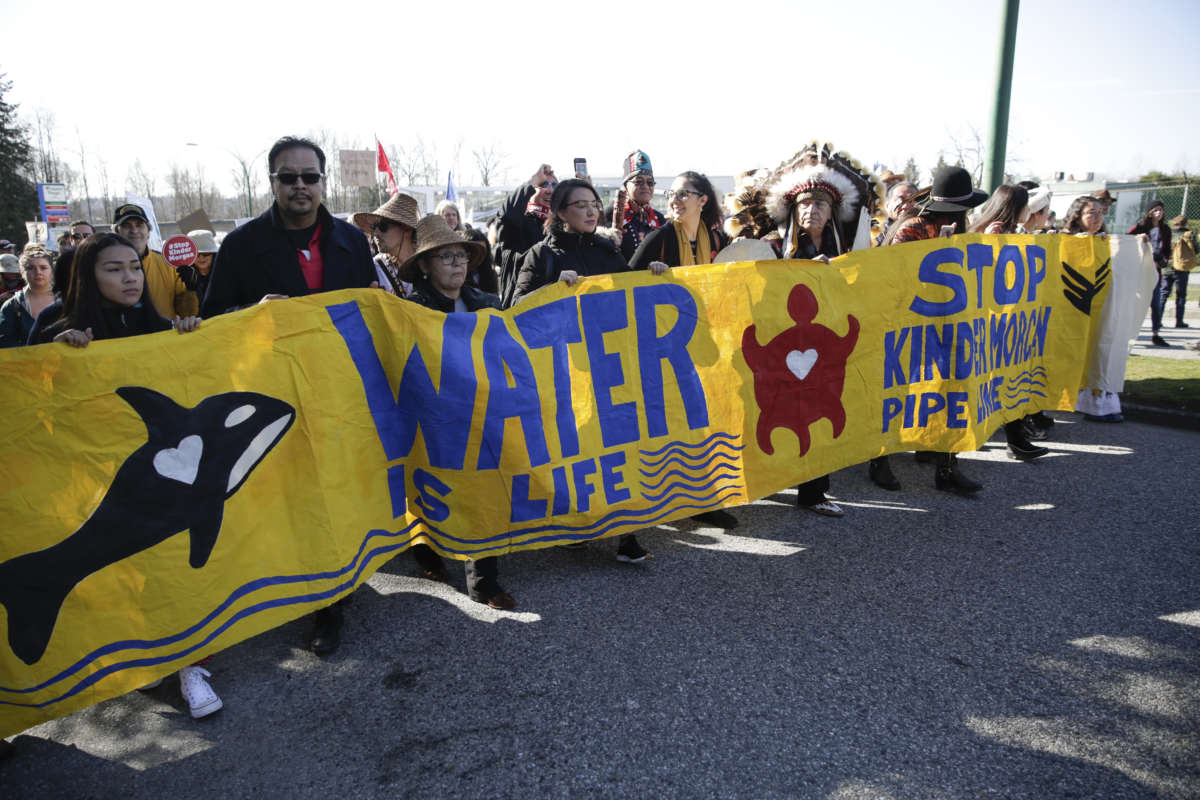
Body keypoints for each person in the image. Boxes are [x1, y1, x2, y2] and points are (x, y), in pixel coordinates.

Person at [25, 233, 218, 717]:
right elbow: (26, 403)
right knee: (118, 578)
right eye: (114, 269)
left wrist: (193, 335)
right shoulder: (55, 324)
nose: (129, 277)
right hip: (89, 481)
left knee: (168, 573)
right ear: (87, 276)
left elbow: (185, 387)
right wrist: (56, 358)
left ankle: (188, 664)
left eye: (134, 266)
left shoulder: (154, 322)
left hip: (158, 484)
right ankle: (139, 663)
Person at [200, 135, 375, 654]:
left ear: (324, 181)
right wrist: (254, 312)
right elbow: (213, 321)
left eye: (309, 176)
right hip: (272, 393)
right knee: (295, 492)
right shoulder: (241, 245)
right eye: (288, 177)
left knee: (340, 486)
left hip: (338, 388)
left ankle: (338, 585)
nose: (300, 186)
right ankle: (316, 596)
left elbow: (368, 311)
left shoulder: (351, 240)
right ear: (272, 182)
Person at [726, 146, 883, 512]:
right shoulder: (769, 248)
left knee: (819, 413)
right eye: (805, 204)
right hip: (777, 352)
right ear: (793, 210)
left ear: (832, 214)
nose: (812, 210)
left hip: (821, 353)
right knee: (770, 415)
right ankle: (764, 481)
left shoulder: (847, 251)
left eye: (821, 204)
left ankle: (814, 493)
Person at [397, 215, 516, 609]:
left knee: (482, 489)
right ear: (426, 266)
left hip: (483, 413)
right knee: (433, 491)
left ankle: (484, 579)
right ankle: (427, 551)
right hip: (432, 420)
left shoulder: (487, 303)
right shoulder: (409, 312)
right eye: (445, 257)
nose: (457, 264)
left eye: (462, 255)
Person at [882, 166, 990, 495]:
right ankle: (879, 460)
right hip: (906, 325)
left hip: (947, 324)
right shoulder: (912, 228)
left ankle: (946, 465)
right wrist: (936, 253)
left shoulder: (959, 229)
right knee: (896, 393)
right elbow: (894, 276)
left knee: (950, 389)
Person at [968, 186, 1050, 460]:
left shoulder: (1005, 230)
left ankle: (1015, 440)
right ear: (1018, 207)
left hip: (1001, 321)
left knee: (1003, 382)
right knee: (1000, 381)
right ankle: (1014, 440)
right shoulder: (996, 232)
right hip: (994, 322)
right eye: (1028, 206)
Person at [511, 178, 629, 304]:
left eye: (594, 205)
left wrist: (651, 272)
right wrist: (554, 289)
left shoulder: (607, 248)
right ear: (561, 213)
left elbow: (633, 287)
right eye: (581, 206)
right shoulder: (541, 254)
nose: (592, 213)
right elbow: (517, 305)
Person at [1060, 196, 1123, 422]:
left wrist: (1137, 242)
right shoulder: (1063, 241)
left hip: (1100, 309)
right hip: (1071, 310)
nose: (1097, 218)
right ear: (1078, 215)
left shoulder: (1106, 241)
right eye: (1091, 213)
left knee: (1099, 350)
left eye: (1100, 212)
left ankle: (1097, 402)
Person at [111, 203, 198, 321]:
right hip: (125, 338)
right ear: (116, 232)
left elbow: (186, 314)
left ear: (149, 231)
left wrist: (190, 289)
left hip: (165, 336)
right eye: (126, 226)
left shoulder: (168, 263)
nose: (134, 230)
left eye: (139, 225)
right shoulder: (106, 267)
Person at [494, 164, 558, 306]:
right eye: (543, 184)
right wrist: (532, 181)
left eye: (554, 185)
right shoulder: (518, 222)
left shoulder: (561, 226)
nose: (549, 190)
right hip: (520, 306)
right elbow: (507, 214)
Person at [351, 192, 421, 296]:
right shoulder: (374, 269)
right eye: (374, 227)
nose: (376, 233)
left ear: (406, 228)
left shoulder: (428, 265)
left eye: (383, 226)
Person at [604, 150, 666, 262]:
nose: (646, 186)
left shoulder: (659, 219)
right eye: (639, 182)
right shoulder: (610, 214)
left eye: (650, 182)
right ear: (626, 185)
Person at [1127, 200, 1171, 347]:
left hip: (1155, 270)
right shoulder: (1141, 227)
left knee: (1156, 304)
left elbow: (1167, 250)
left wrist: (1163, 260)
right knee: (1136, 303)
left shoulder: (1165, 229)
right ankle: (1128, 333)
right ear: (1149, 212)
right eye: (1155, 210)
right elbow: (1127, 239)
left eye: (1161, 210)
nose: (1159, 213)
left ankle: (1156, 333)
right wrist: (1140, 239)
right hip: (1140, 271)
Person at [436, 199, 497, 293]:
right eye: (447, 215)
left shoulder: (466, 239)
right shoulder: (434, 242)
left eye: (454, 215)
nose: (451, 218)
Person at [0, 246, 56, 347]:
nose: (38, 272)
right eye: (30, 268)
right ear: (22, 272)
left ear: (51, 271)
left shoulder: (68, 300)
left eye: (43, 268)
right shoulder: (11, 306)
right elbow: (5, 343)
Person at [177, 229, 219, 301]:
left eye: (206, 253)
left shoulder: (224, 274)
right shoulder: (180, 277)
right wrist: (190, 288)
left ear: (213, 254)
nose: (201, 257)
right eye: (196, 254)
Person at [1167, 215, 1194, 324]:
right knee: (1181, 294)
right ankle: (1179, 320)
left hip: (1168, 267)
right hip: (1182, 266)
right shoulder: (1188, 234)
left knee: (1164, 293)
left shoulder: (1168, 233)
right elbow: (1195, 249)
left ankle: (1158, 320)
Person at [875, 181, 918, 245]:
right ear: (887, 205)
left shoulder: (926, 230)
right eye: (900, 200)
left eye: (911, 200)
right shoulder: (873, 231)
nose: (905, 206)